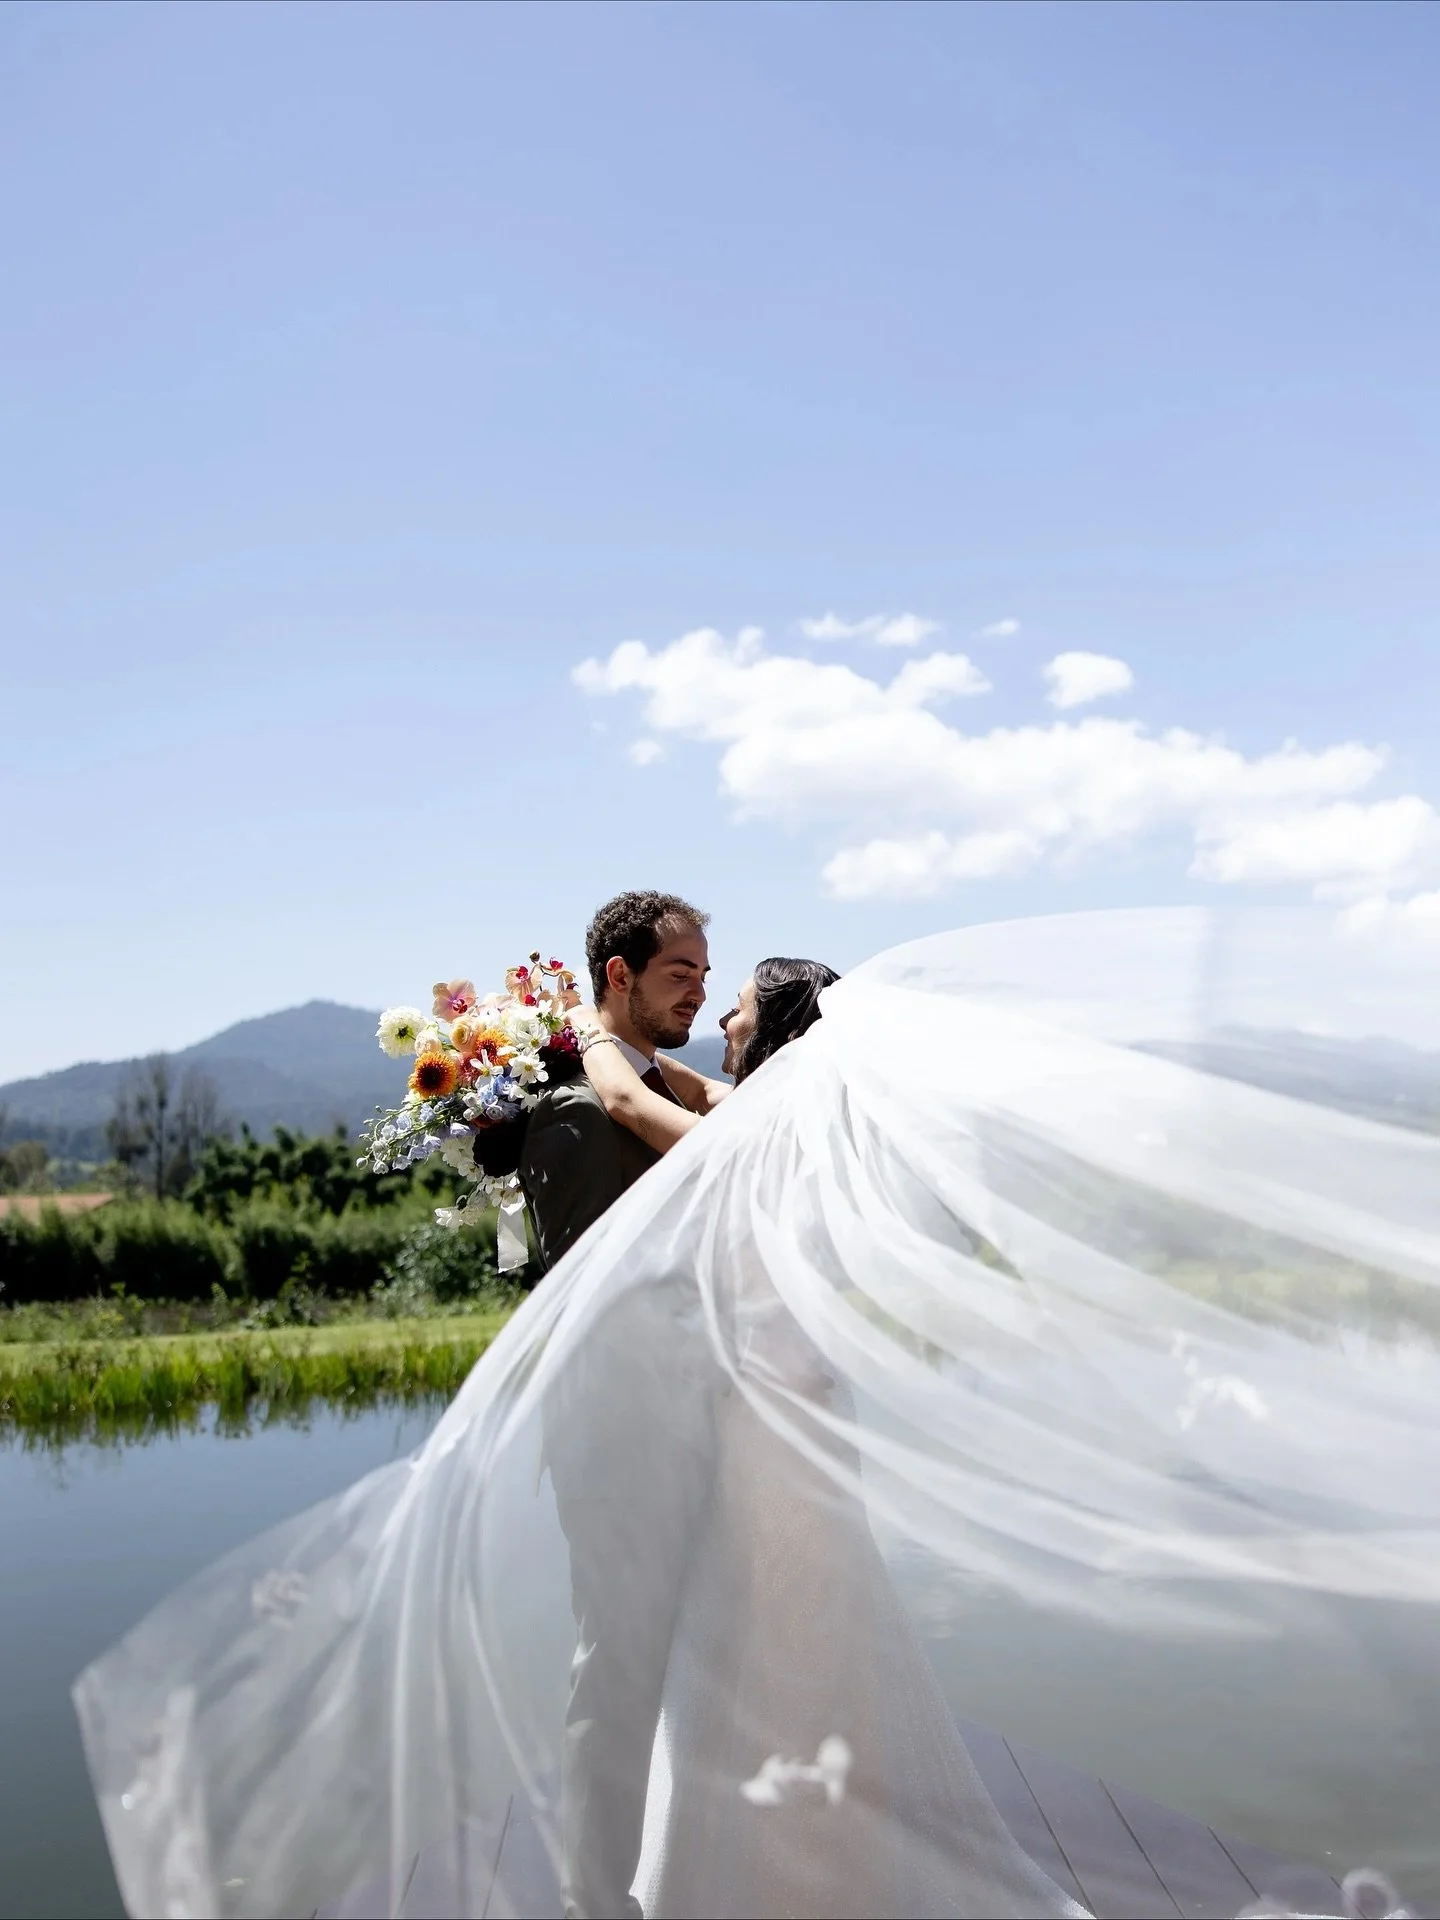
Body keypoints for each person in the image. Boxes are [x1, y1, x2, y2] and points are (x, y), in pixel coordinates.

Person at [72, 908, 1440, 1920]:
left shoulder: (756, 1126)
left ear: (776, 1029)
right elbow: (689, 1102)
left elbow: (671, 1115)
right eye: (694, 987)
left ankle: (767, 1872)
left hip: (760, 1437)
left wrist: (607, 1056)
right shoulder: (769, 1105)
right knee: (765, 1660)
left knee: (750, 1656)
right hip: (763, 1432)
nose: (715, 1013)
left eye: (728, 1006)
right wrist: (591, 1064)